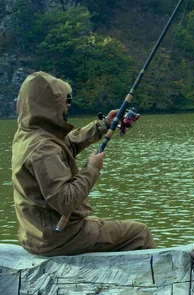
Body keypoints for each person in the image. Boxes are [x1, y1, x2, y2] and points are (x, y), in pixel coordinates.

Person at [12, 71, 156, 256]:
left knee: (105, 224)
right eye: (66, 100)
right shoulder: (43, 149)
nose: (68, 105)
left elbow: (67, 144)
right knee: (140, 233)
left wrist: (103, 125)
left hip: (35, 235)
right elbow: (66, 201)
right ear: (52, 105)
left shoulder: (29, 135)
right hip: (59, 239)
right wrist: (92, 168)